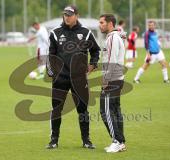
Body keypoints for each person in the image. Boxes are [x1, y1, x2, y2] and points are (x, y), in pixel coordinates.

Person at [46, 5, 100, 149]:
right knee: (56, 109)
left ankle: (86, 140)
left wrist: (93, 64)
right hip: (60, 79)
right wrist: (52, 73)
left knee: (83, 110)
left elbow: (95, 51)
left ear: (77, 15)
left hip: (79, 79)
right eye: (65, 15)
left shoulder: (86, 33)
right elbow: (50, 55)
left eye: (70, 15)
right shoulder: (55, 33)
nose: (67, 17)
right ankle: (53, 140)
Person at [99, 14, 126, 153]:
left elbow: (111, 59)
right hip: (117, 79)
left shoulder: (113, 38)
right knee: (115, 111)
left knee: (105, 111)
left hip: (112, 80)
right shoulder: (116, 37)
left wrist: (106, 79)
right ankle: (120, 142)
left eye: (102, 22)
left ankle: (116, 141)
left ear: (110, 23)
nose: (100, 25)